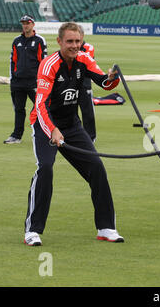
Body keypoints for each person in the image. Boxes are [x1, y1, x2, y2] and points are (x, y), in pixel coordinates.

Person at [24, 22, 123, 246]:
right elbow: (40, 106)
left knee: (97, 168)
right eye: (70, 41)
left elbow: (104, 83)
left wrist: (112, 77)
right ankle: (32, 230)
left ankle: (106, 227)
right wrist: (52, 130)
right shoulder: (49, 65)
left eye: (78, 41)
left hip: (71, 124)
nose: (74, 46)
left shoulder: (84, 59)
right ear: (59, 42)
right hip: (44, 124)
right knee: (46, 169)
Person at [5, 14, 47, 144]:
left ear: (33, 24)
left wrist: (41, 80)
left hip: (33, 82)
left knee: (41, 107)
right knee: (18, 109)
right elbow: (13, 61)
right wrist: (12, 79)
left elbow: (43, 62)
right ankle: (16, 136)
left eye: (27, 23)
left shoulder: (40, 40)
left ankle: (45, 133)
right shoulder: (16, 41)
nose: (25, 25)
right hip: (18, 82)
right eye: (23, 23)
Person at [78, 25, 97, 142]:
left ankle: (91, 137)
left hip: (85, 84)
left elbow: (84, 63)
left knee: (88, 112)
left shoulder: (88, 47)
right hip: (71, 84)